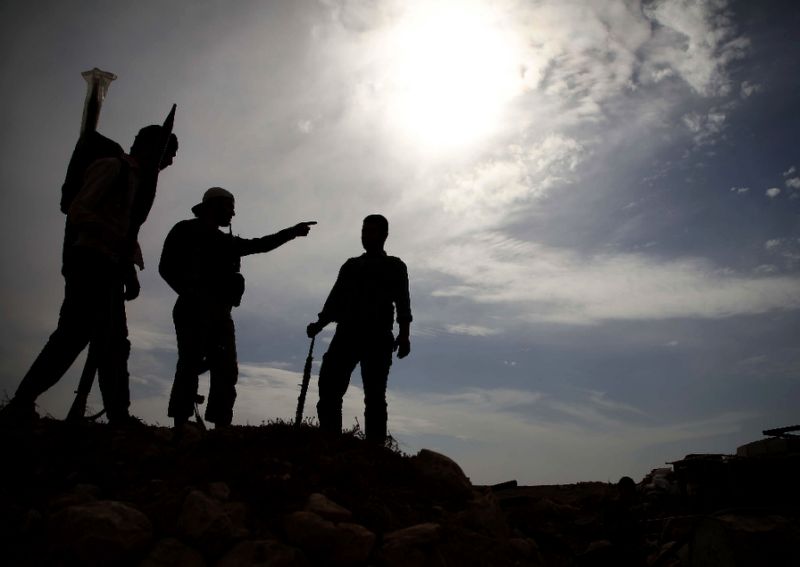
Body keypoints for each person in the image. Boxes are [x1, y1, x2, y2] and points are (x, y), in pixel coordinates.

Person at [1, 125, 178, 426]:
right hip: (89, 263)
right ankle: (22, 403)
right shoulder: (112, 168)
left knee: (108, 342)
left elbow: (125, 231)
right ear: (150, 147)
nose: (170, 162)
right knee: (76, 337)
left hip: (108, 268)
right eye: (168, 153)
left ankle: (117, 415)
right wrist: (117, 243)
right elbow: (79, 211)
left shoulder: (137, 184)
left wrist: (129, 272)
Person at [159, 187, 315, 428]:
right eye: (230, 207)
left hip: (221, 313)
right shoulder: (186, 230)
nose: (233, 213)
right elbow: (166, 267)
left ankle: (220, 425)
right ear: (216, 206)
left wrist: (291, 233)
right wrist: (191, 293)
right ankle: (180, 424)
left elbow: (261, 245)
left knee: (225, 369)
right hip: (193, 308)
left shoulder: (226, 241)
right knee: (189, 364)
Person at [306, 214, 412, 444]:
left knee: (374, 396)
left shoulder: (394, 266)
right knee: (329, 387)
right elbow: (334, 300)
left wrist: (404, 335)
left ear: (384, 235)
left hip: (378, 337)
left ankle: (374, 450)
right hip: (347, 334)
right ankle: (330, 442)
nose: (366, 236)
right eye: (364, 231)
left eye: (371, 231)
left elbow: (403, 303)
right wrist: (319, 324)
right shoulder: (351, 266)